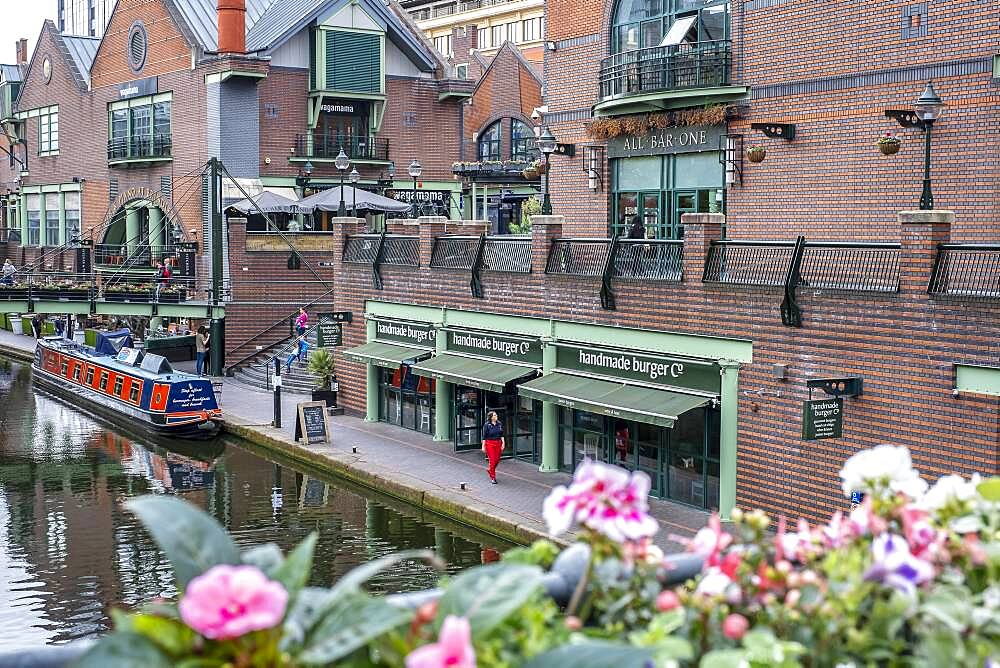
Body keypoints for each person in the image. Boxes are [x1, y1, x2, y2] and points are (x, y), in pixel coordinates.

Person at [481, 411, 505, 484]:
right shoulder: (487, 425)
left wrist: (503, 443)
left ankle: (490, 470)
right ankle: (493, 477)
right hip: (490, 444)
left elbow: (502, 434)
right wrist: (483, 446)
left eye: (496, 415)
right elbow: (484, 436)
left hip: (498, 443)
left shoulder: (499, 424)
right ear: (491, 417)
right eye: (494, 415)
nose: (496, 416)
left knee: (497, 460)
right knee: (492, 460)